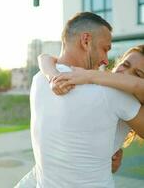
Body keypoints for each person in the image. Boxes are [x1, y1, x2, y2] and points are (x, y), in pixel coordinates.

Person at [15, 12, 144, 188]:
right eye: (105, 49)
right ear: (86, 41)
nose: (106, 59)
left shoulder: (39, 79)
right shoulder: (114, 95)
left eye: (137, 75)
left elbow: (45, 58)